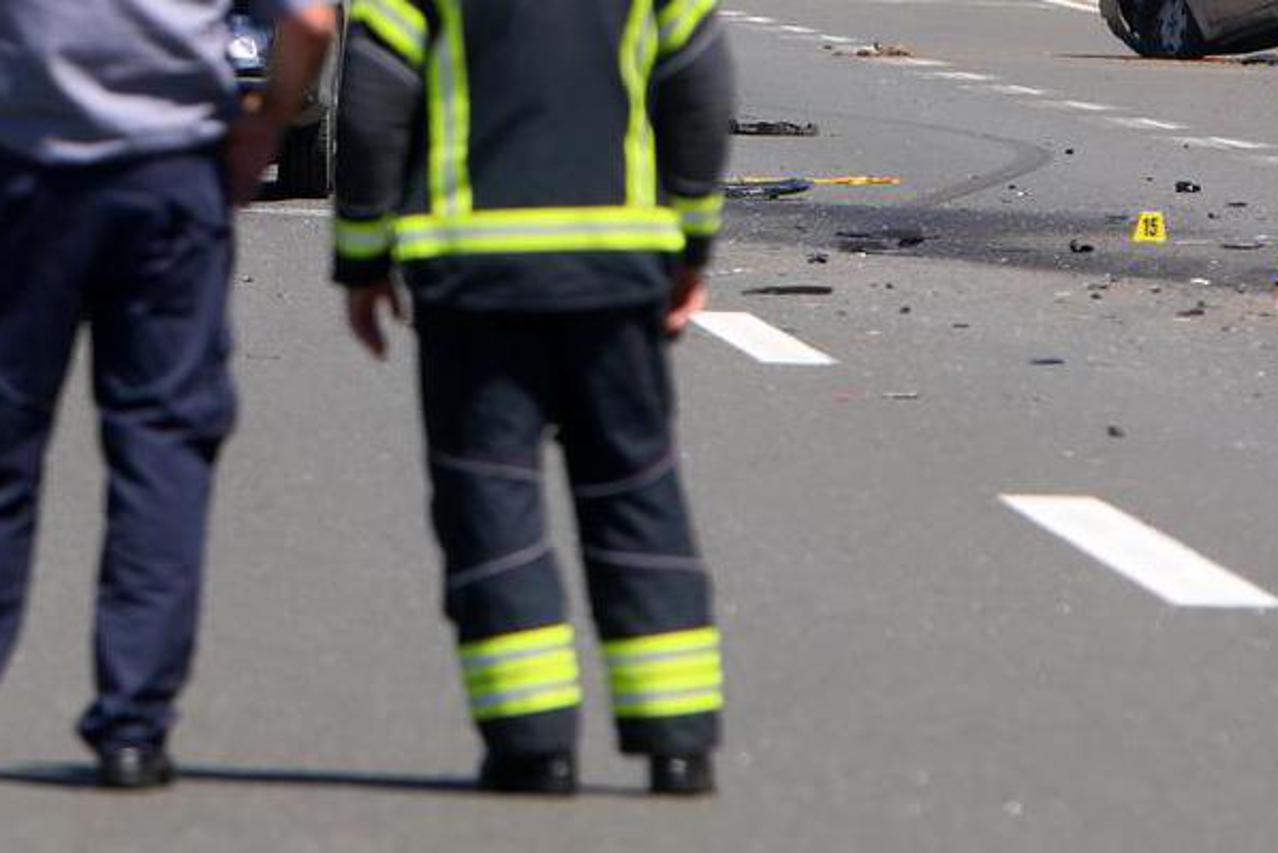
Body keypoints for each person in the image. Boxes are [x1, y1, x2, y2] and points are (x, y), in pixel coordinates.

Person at [333, 0, 734, 795]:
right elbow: (699, 84)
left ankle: (532, 743)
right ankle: (677, 743)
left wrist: (363, 257)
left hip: (474, 280)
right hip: (616, 268)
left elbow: (374, 103)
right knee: (635, 489)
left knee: (491, 500)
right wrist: (692, 243)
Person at [0, 0, 335, 788]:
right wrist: (267, 120)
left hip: (23, 169)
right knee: (160, 444)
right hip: (170, 174)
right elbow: (313, 23)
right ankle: (131, 725)